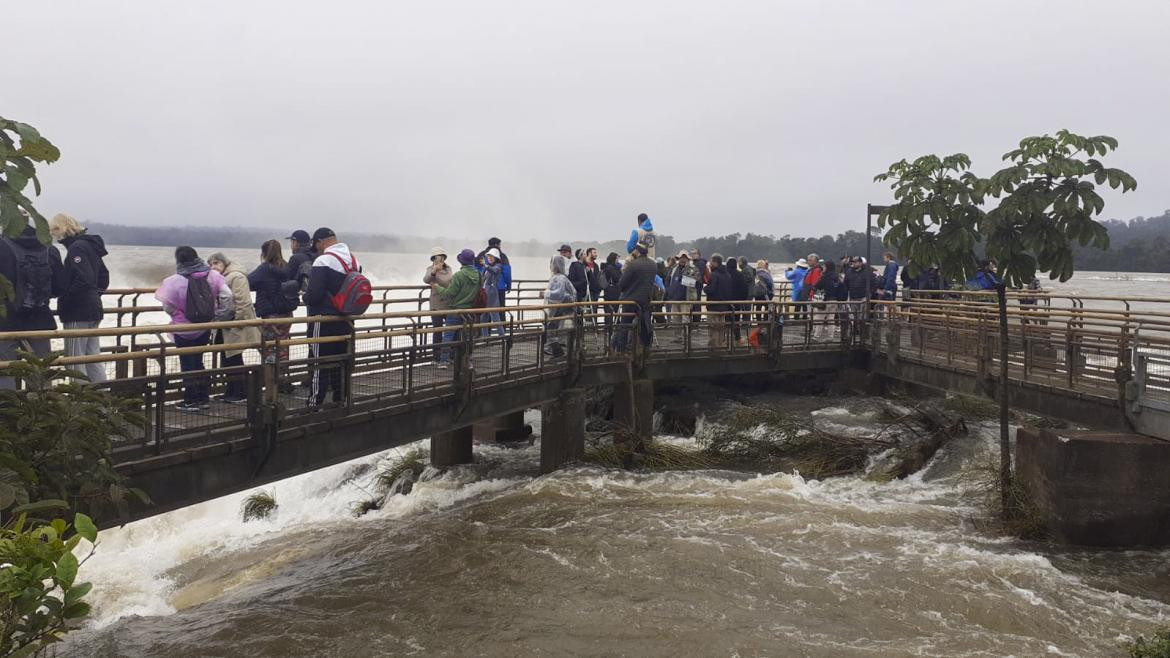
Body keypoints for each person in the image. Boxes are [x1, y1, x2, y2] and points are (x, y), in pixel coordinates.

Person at [155, 246, 233, 410]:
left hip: (183, 329)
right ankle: (203, 397)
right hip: (204, 326)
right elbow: (227, 295)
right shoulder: (212, 275)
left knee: (187, 363)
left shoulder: (174, 280)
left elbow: (167, 306)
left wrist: (177, 314)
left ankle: (190, 400)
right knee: (198, 360)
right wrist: (218, 316)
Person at [0, 222, 64, 390]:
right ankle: (41, 412)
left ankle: (8, 413)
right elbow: (59, 287)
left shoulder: (2, 245)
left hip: (6, 321)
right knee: (40, 370)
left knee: (6, 370)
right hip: (40, 319)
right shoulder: (50, 249)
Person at [303, 227, 361, 409]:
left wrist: (304, 296)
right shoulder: (354, 260)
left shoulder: (323, 260)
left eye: (316, 245)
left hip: (324, 318)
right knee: (340, 361)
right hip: (346, 318)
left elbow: (315, 294)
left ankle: (314, 404)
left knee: (319, 361)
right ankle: (340, 399)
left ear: (320, 242)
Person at [49, 213, 109, 383]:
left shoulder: (77, 248)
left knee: (74, 360)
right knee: (92, 358)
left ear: (61, 230)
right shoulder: (89, 246)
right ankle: (102, 402)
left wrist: (65, 295)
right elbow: (103, 277)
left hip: (77, 311)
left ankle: (80, 403)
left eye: (54, 232)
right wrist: (94, 296)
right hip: (93, 308)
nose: (54, 237)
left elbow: (84, 279)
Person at [207, 253, 261, 403]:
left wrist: (237, 321)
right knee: (227, 357)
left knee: (234, 358)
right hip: (225, 324)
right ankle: (231, 390)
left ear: (225, 263)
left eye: (216, 263)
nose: (213, 267)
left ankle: (240, 392)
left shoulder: (236, 276)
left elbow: (243, 301)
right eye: (211, 265)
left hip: (236, 324)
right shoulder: (221, 277)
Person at [248, 240, 297, 390]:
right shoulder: (287, 267)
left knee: (269, 348)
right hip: (287, 314)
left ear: (263, 253)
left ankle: (272, 384)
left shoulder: (264, 269)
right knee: (282, 346)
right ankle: (283, 380)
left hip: (270, 316)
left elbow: (248, 282)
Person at [433, 249, 482, 367]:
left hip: (456, 309)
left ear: (461, 262)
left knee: (449, 335)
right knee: (467, 335)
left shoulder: (459, 275)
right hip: (470, 310)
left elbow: (449, 294)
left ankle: (444, 360)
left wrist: (437, 287)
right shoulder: (479, 274)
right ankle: (466, 359)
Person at [613, 243, 657, 352]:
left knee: (625, 326)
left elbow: (622, 283)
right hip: (645, 300)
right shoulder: (653, 265)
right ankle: (645, 347)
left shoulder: (634, 264)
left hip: (631, 301)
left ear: (637, 251)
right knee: (645, 326)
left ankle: (621, 349)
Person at [542, 255, 576, 357]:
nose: (550, 266)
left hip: (561, 307)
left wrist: (545, 294)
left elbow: (558, 294)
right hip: (563, 307)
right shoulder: (561, 277)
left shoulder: (559, 278)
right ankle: (553, 349)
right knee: (552, 327)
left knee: (551, 327)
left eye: (551, 263)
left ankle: (556, 351)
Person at [422, 247, 453, 355]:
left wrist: (436, 284)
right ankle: (436, 355)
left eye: (441, 257)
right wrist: (434, 271)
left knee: (450, 330)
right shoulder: (430, 269)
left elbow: (449, 283)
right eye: (437, 257)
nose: (440, 260)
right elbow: (426, 280)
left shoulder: (448, 268)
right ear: (433, 259)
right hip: (436, 304)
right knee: (437, 330)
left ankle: (447, 354)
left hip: (448, 302)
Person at [704, 254, 733, 348]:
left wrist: (705, 289)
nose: (710, 264)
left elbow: (711, 289)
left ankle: (713, 347)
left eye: (711, 262)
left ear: (716, 263)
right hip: (724, 305)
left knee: (713, 328)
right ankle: (720, 345)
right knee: (721, 328)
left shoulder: (714, 275)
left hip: (714, 305)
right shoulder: (728, 274)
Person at [813, 260, 844, 340]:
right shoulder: (837, 277)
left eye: (824, 266)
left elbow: (816, 286)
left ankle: (816, 336)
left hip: (825, 300)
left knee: (820, 318)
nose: (823, 268)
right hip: (835, 301)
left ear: (827, 267)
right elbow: (841, 288)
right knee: (831, 319)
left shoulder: (825, 276)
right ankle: (830, 337)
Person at [478, 237, 512, 308]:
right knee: (500, 310)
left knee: (486, 310)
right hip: (499, 288)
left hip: (485, 288)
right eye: (500, 245)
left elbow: (476, 269)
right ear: (497, 245)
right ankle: (501, 319)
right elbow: (507, 273)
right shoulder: (502, 256)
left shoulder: (482, 255)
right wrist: (508, 286)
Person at [666, 250, 699, 323]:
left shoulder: (692, 269)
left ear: (688, 259)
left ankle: (686, 334)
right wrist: (669, 291)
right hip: (675, 299)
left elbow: (689, 282)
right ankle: (677, 334)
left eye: (685, 258)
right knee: (675, 320)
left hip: (686, 300)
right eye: (681, 257)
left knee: (685, 320)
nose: (683, 259)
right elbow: (667, 280)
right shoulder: (674, 268)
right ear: (678, 258)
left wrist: (687, 267)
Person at [479, 248, 505, 336]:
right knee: (483, 318)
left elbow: (494, 271)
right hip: (484, 295)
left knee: (495, 317)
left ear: (496, 258)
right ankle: (485, 337)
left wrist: (485, 265)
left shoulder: (498, 266)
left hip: (492, 295)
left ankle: (502, 337)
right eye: (488, 256)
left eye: (492, 256)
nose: (489, 258)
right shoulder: (487, 267)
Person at [601, 252, 622, 328]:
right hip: (613, 292)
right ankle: (613, 328)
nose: (618, 260)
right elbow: (617, 278)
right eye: (617, 258)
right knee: (614, 311)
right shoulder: (611, 268)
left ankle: (608, 328)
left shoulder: (607, 267)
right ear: (613, 259)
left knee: (608, 312)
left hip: (608, 292)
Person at [690, 249, 707, 322]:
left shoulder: (700, 263)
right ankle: (695, 322)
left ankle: (696, 322)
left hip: (696, 287)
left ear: (699, 255)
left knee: (696, 305)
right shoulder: (695, 263)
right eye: (692, 253)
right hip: (694, 288)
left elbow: (698, 276)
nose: (693, 255)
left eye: (694, 253)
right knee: (695, 305)